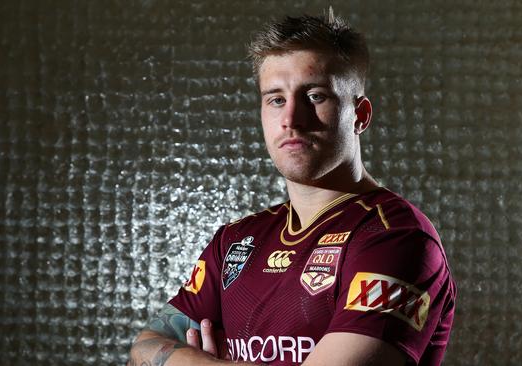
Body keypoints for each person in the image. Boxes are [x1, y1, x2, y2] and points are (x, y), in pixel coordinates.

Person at [128, 9, 456, 366]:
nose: (290, 119)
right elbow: (143, 348)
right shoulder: (236, 242)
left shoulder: (395, 237)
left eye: (315, 96)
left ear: (359, 116)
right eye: (276, 99)